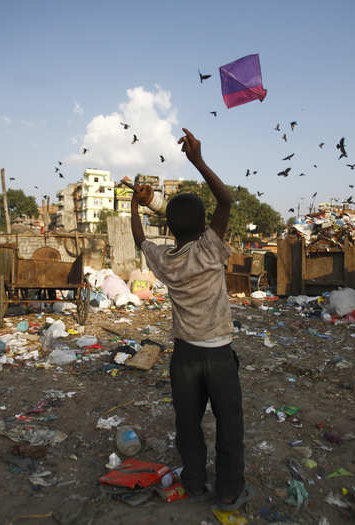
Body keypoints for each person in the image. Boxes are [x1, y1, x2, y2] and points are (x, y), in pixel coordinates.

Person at [130, 128, 252, 509]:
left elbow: (139, 239)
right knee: (229, 425)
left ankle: (195, 481)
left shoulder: (164, 261)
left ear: (170, 229)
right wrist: (197, 160)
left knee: (188, 422)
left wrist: (134, 205)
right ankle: (228, 490)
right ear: (204, 228)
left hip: (184, 357)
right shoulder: (210, 250)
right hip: (218, 356)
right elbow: (226, 199)